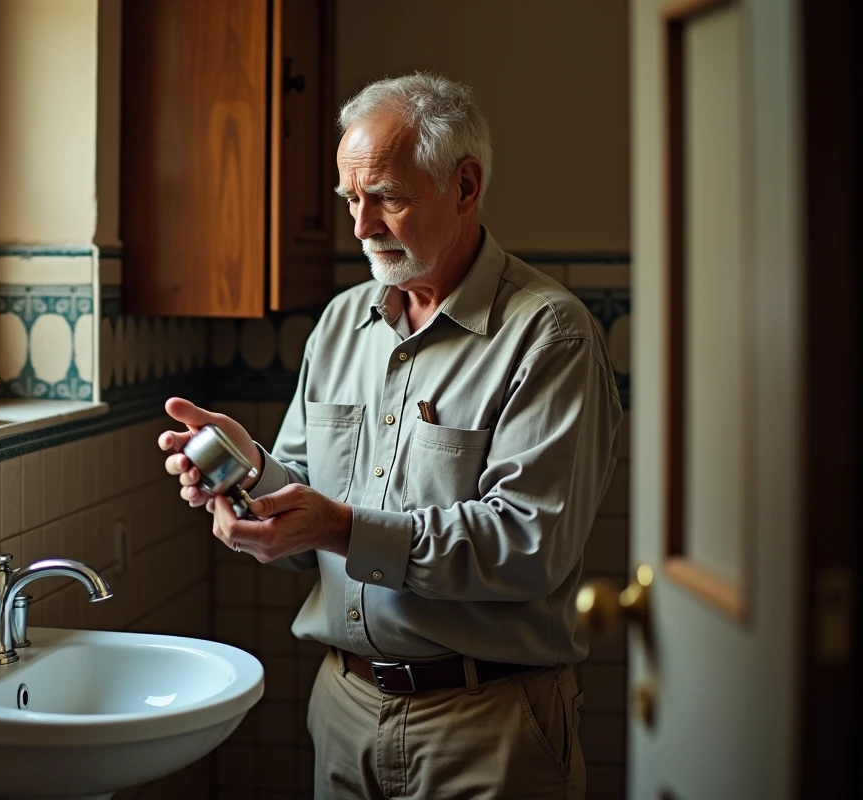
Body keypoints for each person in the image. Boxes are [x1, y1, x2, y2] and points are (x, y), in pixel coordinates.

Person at [158, 72, 622, 799]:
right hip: (342, 713)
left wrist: (340, 528)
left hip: (487, 727)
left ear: (465, 186)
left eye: (388, 198)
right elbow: (304, 510)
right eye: (351, 198)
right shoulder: (342, 324)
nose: (361, 226)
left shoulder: (549, 334)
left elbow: (530, 546)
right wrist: (250, 477)